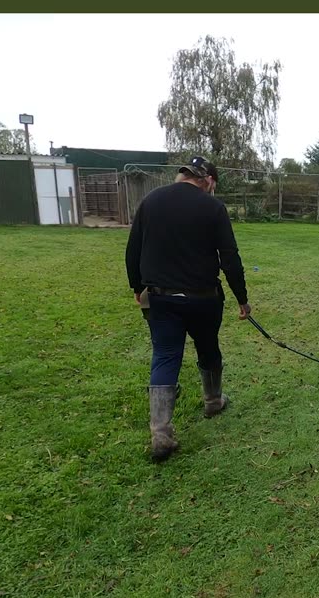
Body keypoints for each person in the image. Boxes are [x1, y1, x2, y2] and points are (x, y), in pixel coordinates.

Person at [126, 156, 251, 462]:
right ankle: (212, 401)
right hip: (204, 299)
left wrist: (136, 287)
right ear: (207, 179)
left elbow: (133, 249)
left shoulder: (150, 201)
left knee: (166, 354)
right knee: (208, 348)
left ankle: (161, 432)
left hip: (161, 298)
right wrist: (242, 298)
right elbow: (230, 258)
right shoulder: (213, 207)